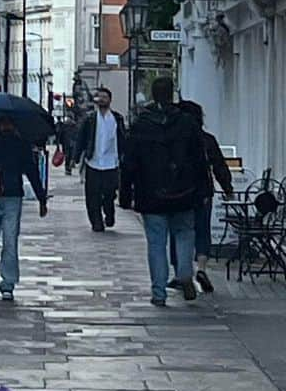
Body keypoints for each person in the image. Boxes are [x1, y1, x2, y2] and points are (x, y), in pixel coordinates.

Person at [119, 76, 207, 307]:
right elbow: (200, 160)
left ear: (153, 95)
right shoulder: (187, 123)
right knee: (185, 234)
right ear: (172, 95)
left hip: (151, 194)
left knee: (156, 243)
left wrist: (126, 194)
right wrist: (203, 190)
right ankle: (185, 274)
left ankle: (159, 292)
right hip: (184, 192)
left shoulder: (141, 125)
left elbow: (129, 163)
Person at [0, 116, 48, 303]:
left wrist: (41, 198)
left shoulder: (21, 146)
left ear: (14, 125)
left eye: (9, 123)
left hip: (13, 197)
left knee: (10, 241)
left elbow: (32, 172)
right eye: (2, 123)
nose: (6, 126)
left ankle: (8, 283)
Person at [168, 100, 234, 294]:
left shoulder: (173, 139)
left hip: (178, 193)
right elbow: (219, 166)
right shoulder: (207, 140)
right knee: (202, 230)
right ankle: (202, 268)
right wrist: (227, 187)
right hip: (203, 192)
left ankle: (181, 272)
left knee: (178, 232)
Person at [74, 87, 126, 232]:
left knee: (110, 193)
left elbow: (123, 139)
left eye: (105, 97)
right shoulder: (90, 119)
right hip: (93, 162)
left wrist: (124, 156)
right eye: (99, 97)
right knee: (92, 194)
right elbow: (81, 138)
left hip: (111, 163)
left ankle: (109, 213)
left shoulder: (117, 118)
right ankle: (96, 222)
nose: (102, 99)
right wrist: (76, 157)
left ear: (110, 100)